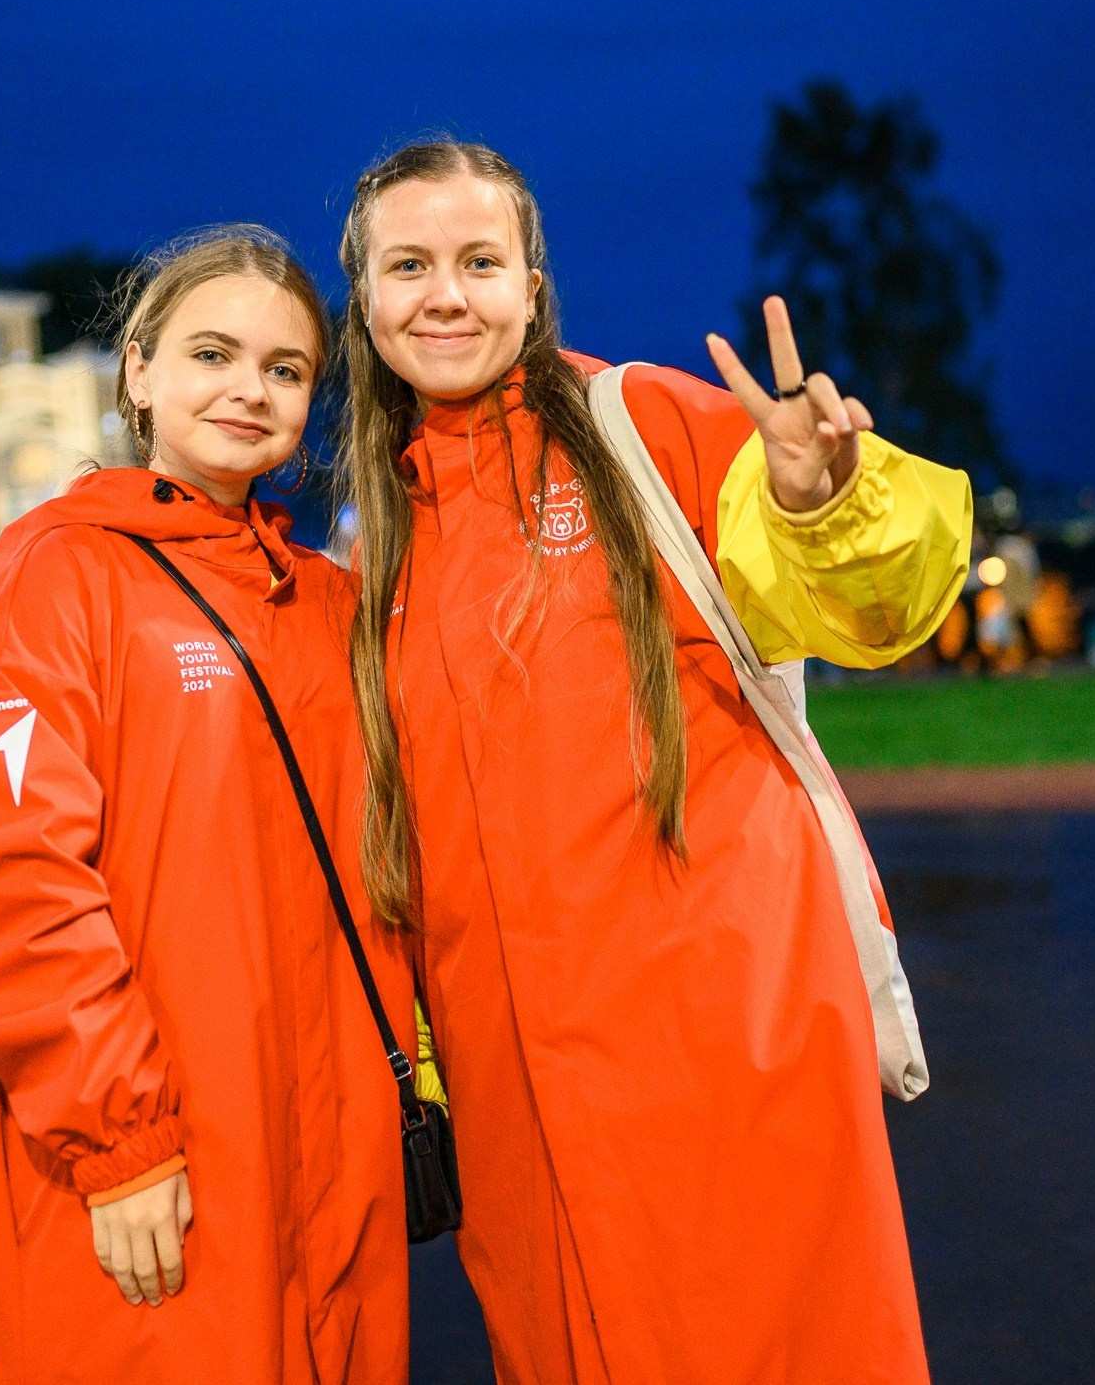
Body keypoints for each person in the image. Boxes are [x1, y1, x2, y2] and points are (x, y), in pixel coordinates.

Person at [332, 140, 971, 1383]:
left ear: (532, 283)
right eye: (408, 265)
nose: (444, 294)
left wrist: (822, 494)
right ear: (363, 297)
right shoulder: (383, 536)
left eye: (478, 260)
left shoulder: (647, 424)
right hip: (514, 1081)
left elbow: (867, 607)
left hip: (722, 1031)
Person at [0, 228, 414, 1384]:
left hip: (336, 1154)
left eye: (284, 370)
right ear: (137, 369)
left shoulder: (327, 600)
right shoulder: (65, 575)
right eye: (212, 352)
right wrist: (116, 1138)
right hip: (163, 1150)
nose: (248, 389)